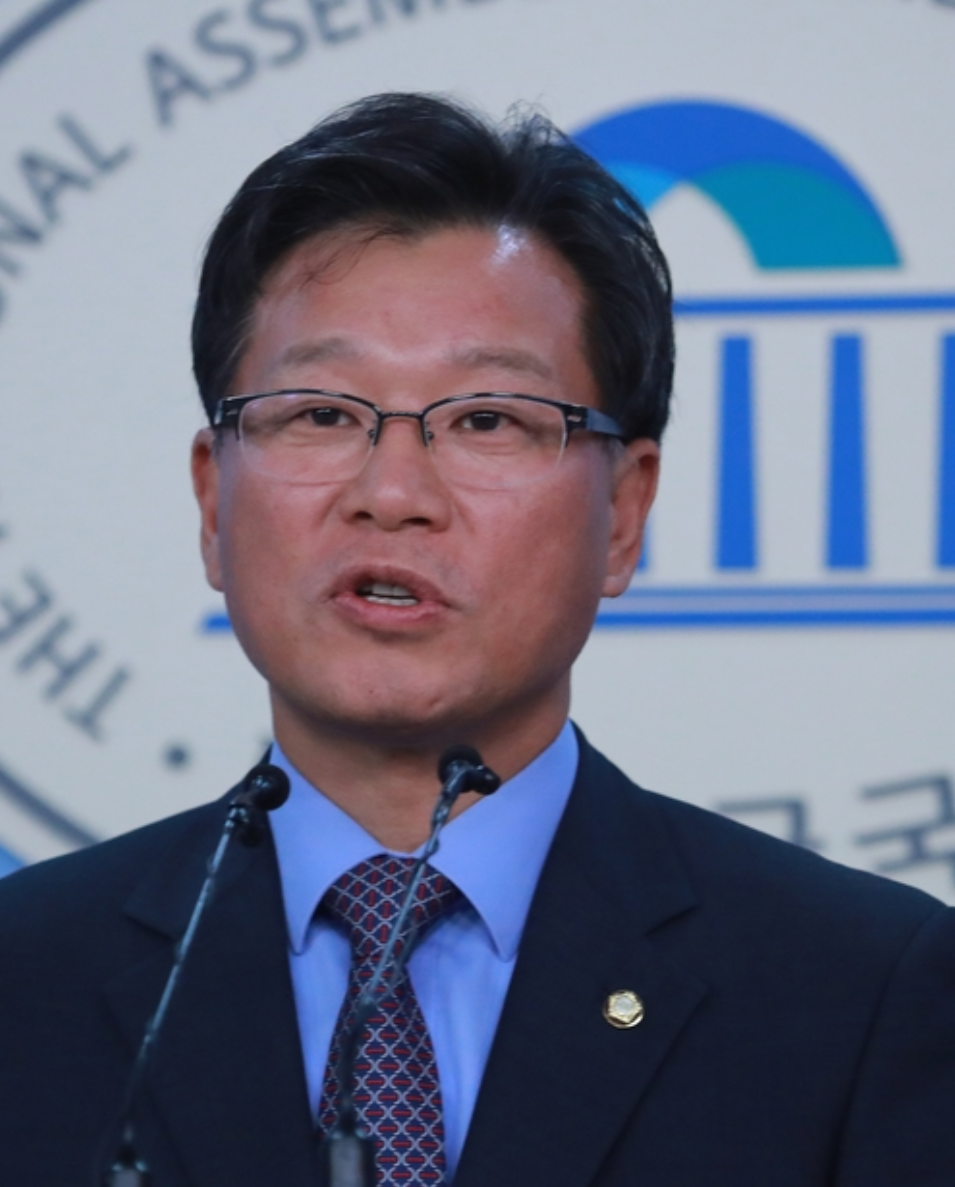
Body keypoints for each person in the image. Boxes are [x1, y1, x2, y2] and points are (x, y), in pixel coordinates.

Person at [1, 92, 953, 1187]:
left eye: (486, 419)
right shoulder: (23, 976)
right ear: (214, 504)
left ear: (624, 513)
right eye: (320, 412)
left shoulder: (858, 990)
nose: (392, 493)